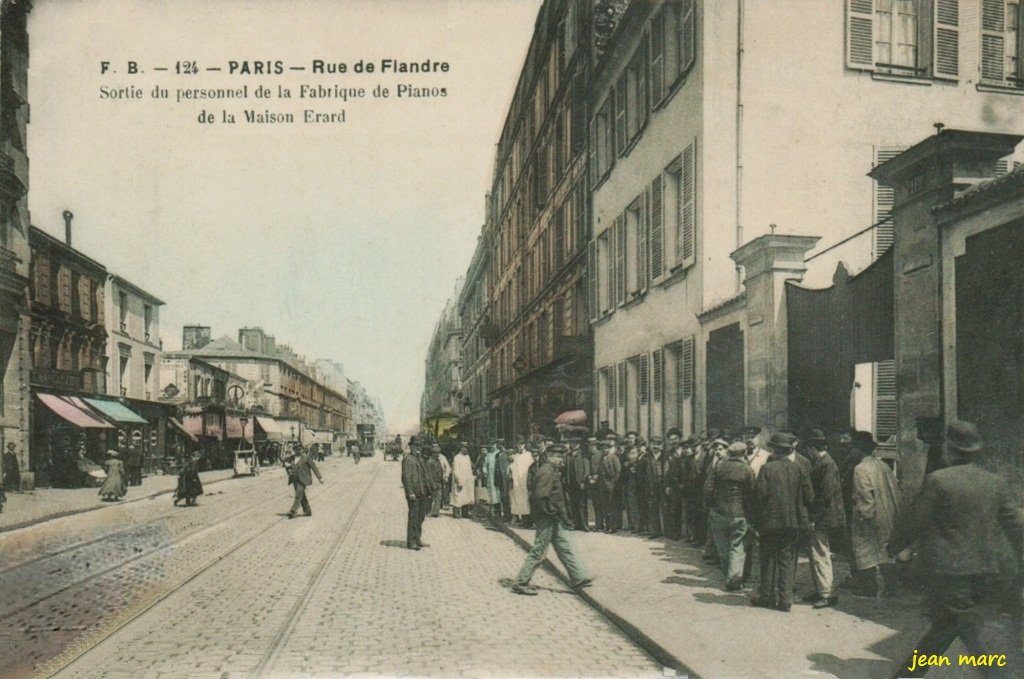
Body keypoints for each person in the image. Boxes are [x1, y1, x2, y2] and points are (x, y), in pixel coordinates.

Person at [889, 421, 1023, 679]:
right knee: (948, 627)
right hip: (986, 572)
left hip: (950, 571)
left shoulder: (939, 481)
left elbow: (915, 520)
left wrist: (895, 545)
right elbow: (1016, 527)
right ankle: (906, 676)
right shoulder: (995, 482)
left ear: (949, 448)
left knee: (963, 629)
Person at [511, 445, 592, 595]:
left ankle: (578, 577)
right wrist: (551, 512)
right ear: (548, 456)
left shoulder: (552, 470)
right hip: (547, 518)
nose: (560, 459)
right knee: (539, 551)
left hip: (554, 517)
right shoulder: (546, 471)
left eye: (561, 456)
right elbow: (540, 496)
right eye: (557, 456)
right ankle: (521, 582)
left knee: (564, 546)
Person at [751, 433, 814, 612]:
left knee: (768, 559)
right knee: (787, 559)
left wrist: (757, 521)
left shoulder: (767, 469)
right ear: (790, 450)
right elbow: (809, 497)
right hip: (792, 523)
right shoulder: (799, 469)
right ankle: (786, 600)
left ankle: (767, 597)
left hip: (769, 523)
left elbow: (759, 497)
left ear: (776, 450)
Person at [850, 431, 899, 597]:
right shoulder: (883, 466)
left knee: (864, 550)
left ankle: (869, 588)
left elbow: (865, 495)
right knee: (885, 551)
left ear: (858, 449)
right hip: (887, 514)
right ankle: (891, 588)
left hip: (871, 516)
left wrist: (865, 516)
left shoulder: (860, 469)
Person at [801, 429, 845, 608]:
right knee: (816, 553)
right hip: (824, 515)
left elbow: (826, 495)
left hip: (824, 516)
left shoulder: (826, 464)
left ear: (812, 447)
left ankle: (827, 593)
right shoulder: (823, 462)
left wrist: (814, 517)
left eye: (808, 449)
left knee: (820, 553)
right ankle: (821, 589)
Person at [706, 442, 755, 590]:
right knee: (737, 546)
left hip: (719, 512)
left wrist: (711, 505)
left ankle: (728, 574)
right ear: (744, 453)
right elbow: (752, 493)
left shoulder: (719, 467)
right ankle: (733, 579)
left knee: (722, 547)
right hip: (739, 513)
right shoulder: (747, 469)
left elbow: (708, 488)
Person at [402, 439, 432, 549]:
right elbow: (406, 478)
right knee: (414, 517)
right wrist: (410, 492)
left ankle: (417, 538)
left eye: (419, 446)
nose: (418, 448)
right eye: (416, 446)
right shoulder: (408, 460)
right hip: (414, 493)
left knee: (420, 516)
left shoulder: (419, 459)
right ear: (411, 447)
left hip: (422, 492)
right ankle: (411, 541)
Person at [286, 445, 324, 519]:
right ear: (294, 450)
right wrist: (288, 468)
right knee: (301, 495)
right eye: (296, 449)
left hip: (304, 479)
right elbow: (288, 466)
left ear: (302, 450)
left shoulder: (306, 458)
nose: (298, 451)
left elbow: (314, 467)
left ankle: (293, 510)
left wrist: (320, 478)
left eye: (300, 449)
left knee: (298, 494)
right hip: (295, 479)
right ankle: (307, 510)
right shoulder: (292, 458)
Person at [640, 436, 664, 538]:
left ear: (662, 445)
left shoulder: (666, 456)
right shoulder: (646, 458)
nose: (656, 446)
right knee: (652, 509)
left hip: (663, 486)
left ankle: (668, 531)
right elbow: (640, 473)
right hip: (650, 487)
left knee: (665, 509)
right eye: (654, 444)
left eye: (658, 444)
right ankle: (654, 531)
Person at [566, 438, 591, 531]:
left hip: (580, 483)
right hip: (571, 483)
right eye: (572, 443)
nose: (573, 445)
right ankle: (576, 523)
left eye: (575, 443)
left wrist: (584, 481)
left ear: (579, 445)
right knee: (573, 504)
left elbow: (587, 469)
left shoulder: (583, 455)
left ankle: (584, 524)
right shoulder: (568, 455)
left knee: (582, 504)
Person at [598, 435, 622, 533]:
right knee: (605, 505)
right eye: (603, 448)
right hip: (602, 485)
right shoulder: (602, 458)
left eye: (606, 448)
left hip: (611, 484)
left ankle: (613, 526)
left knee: (612, 506)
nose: (604, 450)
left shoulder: (613, 457)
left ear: (609, 448)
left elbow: (618, 471)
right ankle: (607, 526)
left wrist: (613, 482)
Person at [508, 441, 534, 524]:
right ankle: (520, 517)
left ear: (524, 445)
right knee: (518, 498)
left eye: (521, 444)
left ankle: (527, 519)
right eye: (518, 444)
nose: (520, 446)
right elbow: (511, 467)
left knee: (526, 498)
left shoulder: (529, 455)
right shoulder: (516, 456)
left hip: (526, 479)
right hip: (517, 480)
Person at [450, 443, 475, 518]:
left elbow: (469, 469)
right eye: (464, 448)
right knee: (458, 496)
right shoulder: (457, 457)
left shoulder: (467, 457)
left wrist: (472, 477)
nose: (465, 449)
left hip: (467, 481)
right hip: (460, 480)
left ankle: (465, 513)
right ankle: (456, 513)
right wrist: (458, 480)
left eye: (467, 448)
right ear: (460, 448)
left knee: (466, 496)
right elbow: (455, 470)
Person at [428, 444, 449, 518]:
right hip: (433, 482)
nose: (437, 455)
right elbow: (429, 474)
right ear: (432, 453)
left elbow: (442, 469)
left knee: (438, 498)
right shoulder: (430, 462)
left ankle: (435, 513)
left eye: (438, 453)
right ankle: (429, 511)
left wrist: (444, 477)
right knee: (431, 498)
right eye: (435, 453)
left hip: (439, 482)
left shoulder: (439, 460)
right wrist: (431, 483)